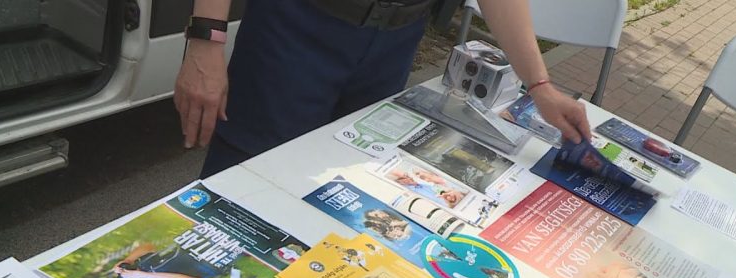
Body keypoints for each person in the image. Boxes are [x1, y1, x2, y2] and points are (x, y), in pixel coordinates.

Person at [175, 0, 592, 178]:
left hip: (393, 43)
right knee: (247, 180)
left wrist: (540, 85)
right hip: (296, 28)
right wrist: (205, 40)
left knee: (344, 186)